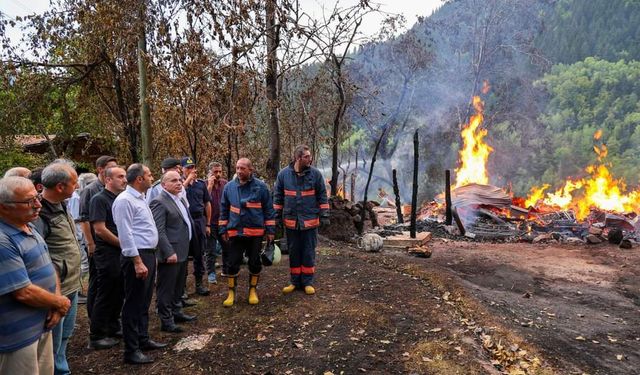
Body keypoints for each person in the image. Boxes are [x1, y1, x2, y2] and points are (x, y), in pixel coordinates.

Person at [0, 176, 71, 374]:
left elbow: (50, 265)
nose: (38, 204)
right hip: (17, 338)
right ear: (4, 207)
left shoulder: (28, 226)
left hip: (41, 324)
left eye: (36, 197)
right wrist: (59, 303)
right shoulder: (3, 240)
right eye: (29, 202)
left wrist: (56, 300)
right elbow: (22, 292)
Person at [113, 164, 166, 365]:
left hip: (148, 255)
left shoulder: (140, 198)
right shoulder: (124, 201)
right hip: (137, 257)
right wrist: (136, 261)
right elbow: (125, 234)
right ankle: (131, 350)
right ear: (139, 179)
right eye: (150, 174)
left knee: (144, 301)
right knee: (133, 303)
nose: (153, 177)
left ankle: (143, 339)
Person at [33, 161, 82, 375]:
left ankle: (62, 368)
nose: (78, 186)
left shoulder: (61, 205)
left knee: (64, 337)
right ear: (61, 187)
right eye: (74, 182)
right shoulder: (39, 215)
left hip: (71, 285)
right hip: (55, 291)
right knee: (50, 344)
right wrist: (55, 295)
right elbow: (40, 259)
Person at [274, 145, 330, 295]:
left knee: (308, 252)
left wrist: (324, 214)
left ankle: (307, 282)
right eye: (306, 157)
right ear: (298, 158)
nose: (310, 159)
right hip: (291, 222)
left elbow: (322, 196)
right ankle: (294, 281)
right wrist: (276, 218)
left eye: (310, 156)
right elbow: (278, 197)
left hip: (310, 222)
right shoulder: (283, 175)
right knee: (293, 252)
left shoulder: (316, 174)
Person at [219, 158, 275, 307]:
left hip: (255, 233)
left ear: (251, 170)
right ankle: (231, 293)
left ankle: (252, 291)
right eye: (237, 168)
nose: (239, 171)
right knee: (232, 263)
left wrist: (270, 231)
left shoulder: (261, 187)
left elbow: (269, 210)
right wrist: (223, 229)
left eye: (242, 168)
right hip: (235, 232)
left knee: (254, 262)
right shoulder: (229, 187)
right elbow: (223, 209)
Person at [150, 171, 197, 333]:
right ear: (163, 185)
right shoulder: (159, 202)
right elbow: (159, 230)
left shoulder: (180, 198)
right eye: (173, 180)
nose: (179, 183)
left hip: (183, 250)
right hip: (171, 253)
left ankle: (177, 312)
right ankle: (166, 319)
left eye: (179, 180)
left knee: (178, 286)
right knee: (166, 287)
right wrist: (168, 251)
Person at [87, 166, 126, 350]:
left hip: (120, 252)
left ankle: (112, 326)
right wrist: (123, 244)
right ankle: (97, 334)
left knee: (118, 291)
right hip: (108, 252)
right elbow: (100, 229)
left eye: (125, 176)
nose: (124, 180)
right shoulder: (99, 199)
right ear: (108, 179)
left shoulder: (120, 198)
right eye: (120, 177)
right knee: (106, 292)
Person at [78, 155, 117, 321]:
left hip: (111, 244)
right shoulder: (91, 190)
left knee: (111, 282)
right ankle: (94, 319)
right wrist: (90, 243)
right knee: (97, 281)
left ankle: (111, 318)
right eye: (111, 167)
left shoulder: (112, 189)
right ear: (101, 169)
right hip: (97, 244)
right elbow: (84, 219)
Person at [181, 157, 212, 296]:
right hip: (184, 221)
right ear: (182, 169)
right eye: (188, 168)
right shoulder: (179, 184)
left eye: (192, 167)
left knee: (199, 253)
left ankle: (199, 283)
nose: (191, 170)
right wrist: (188, 180)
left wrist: (208, 224)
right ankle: (182, 288)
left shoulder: (200, 184)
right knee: (184, 255)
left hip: (199, 220)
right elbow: (179, 194)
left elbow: (207, 203)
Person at [67, 172, 97, 304]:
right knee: (83, 264)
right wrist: (83, 238)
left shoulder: (77, 196)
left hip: (80, 236)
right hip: (79, 236)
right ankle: (76, 291)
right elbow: (76, 219)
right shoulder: (75, 198)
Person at [205, 161, 227, 284]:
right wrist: (209, 185)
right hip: (210, 222)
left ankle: (226, 269)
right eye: (215, 172)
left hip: (223, 221)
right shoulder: (203, 184)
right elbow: (204, 200)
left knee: (226, 247)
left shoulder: (225, 184)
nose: (218, 174)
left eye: (220, 171)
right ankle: (211, 273)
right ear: (210, 172)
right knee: (211, 250)